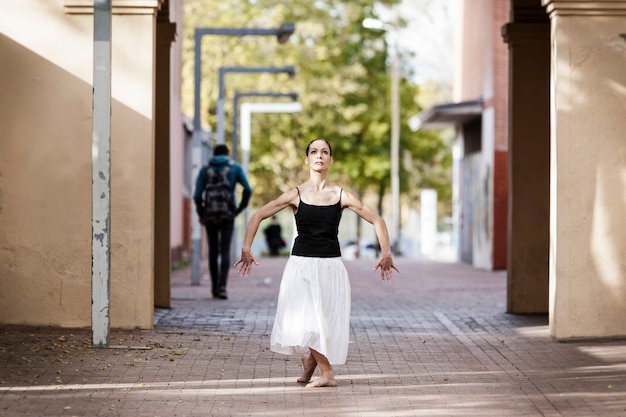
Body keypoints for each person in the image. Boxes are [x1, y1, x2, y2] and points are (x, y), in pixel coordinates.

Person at [235, 138, 399, 388]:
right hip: (301, 265)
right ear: (307, 159)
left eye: (324, 152)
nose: (319, 155)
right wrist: (246, 247)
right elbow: (258, 215)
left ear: (331, 160)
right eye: (314, 152)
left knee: (324, 320)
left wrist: (386, 252)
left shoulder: (340, 195)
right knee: (306, 320)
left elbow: (377, 219)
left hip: (331, 267)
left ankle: (310, 360)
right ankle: (327, 373)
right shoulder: (296, 194)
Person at [194, 144, 251, 300]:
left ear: (213, 154)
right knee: (225, 250)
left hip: (210, 215)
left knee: (213, 250)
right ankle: (222, 287)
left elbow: (197, 195)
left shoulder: (205, 170)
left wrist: (201, 213)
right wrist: (238, 209)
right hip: (227, 214)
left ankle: (214, 288)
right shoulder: (234, 168)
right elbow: (248, 189)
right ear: (227, 154)